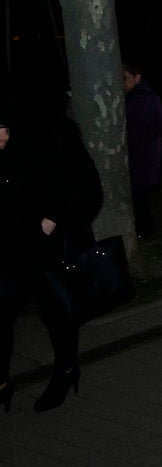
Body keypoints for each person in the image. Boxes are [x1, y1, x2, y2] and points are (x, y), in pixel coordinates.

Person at [0, 105, 103, 413]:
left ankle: (67, 371)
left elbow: (87, 189)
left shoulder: (55, 137)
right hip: (10, 249)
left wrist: (55, 217)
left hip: (49, 248)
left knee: (57, 315)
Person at [123, 62, 162, 239]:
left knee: (137, 194)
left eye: (125, 78)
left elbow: (151, 129)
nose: (122, 82)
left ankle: (145, 228)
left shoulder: (145, 99)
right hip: (137, 153)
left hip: (142, 155)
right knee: (137, 195)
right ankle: (144, 227)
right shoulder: (130, 97)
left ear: (137, 78)